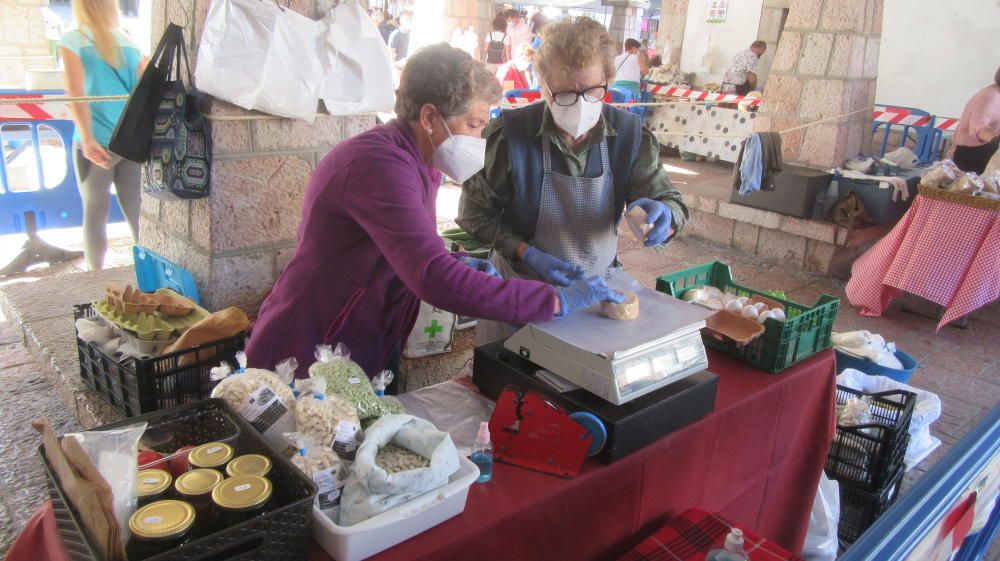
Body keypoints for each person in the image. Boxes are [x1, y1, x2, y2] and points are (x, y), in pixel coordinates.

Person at [245, 44, 622, 384]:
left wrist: (455, 259)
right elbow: (430, 277)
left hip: (362, 346)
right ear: (429, 117)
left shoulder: (418, 161)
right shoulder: (378, 164)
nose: (479, 138)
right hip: (308, 353)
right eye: (474, 124)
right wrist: (552, 301)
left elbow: (402, 245)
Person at [457, 17, 689, 344]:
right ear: (545, 88)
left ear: (608, 80)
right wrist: (525, 251)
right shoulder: (512, 136)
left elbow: (670, 201)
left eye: (592, 91)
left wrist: (666, 216)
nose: (580, 105)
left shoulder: (629, 136)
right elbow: (473, 213)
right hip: (522, 293)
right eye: (565, 94)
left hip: (596, 295)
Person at [59, 0, 146, 271]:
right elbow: (143, 96)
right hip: (128, 142)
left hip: (95, 142)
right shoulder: (130, 44)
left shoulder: (73, 40)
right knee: (136, 213)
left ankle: (95, 278)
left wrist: (87, 139)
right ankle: (146, 276)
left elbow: (77, 96)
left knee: (94, 213)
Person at [952, 66, 1000, 174]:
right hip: (973, 154)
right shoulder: (989, 97)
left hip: (989, 150)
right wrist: (996, 139)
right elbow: (978, 129)